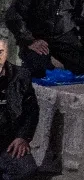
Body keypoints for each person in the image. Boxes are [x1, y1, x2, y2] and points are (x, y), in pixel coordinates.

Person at [0, 39, 38, 180]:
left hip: (7, 143)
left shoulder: (21, 76)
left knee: (26, 170)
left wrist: (23, 136)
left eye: (0, 52)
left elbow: (31, 110)